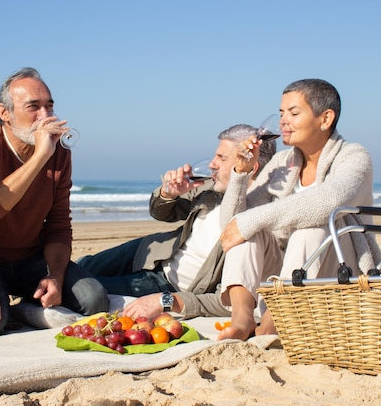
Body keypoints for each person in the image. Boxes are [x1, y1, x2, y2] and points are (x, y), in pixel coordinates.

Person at [218, 78, 381, 341]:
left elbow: (326, 201)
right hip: (286, 274)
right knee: (246, 230)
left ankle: (273, 323)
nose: (283, 121)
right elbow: (230, 227)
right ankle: (243, 319)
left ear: (325, 118)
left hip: (340, 272)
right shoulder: (283, 162)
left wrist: (252, 220)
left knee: (313, 224)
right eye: (282, 113)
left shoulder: (354, 157)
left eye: (294, 113)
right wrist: (241, 174)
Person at [77, 124, 277, 322]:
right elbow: (160, 212)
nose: (212, 164)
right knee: (82, 266)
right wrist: (168, 193)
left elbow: (226, 300)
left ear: (250, 166)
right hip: (152, 252)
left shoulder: (257, 222)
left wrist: (168, 300)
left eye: (221, 158)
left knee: (88, 289)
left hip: (167, 285)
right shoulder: (210, 186)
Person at [0, 67, 109, 335]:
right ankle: (12, 306)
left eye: (49, 106)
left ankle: (25, 308)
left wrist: (55, 275)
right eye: (34, 107)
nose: (46, 116)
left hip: (32, 258)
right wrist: (40, 156)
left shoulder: (58, 152)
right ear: (4, 112)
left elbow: (58, 223)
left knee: (95, 299)